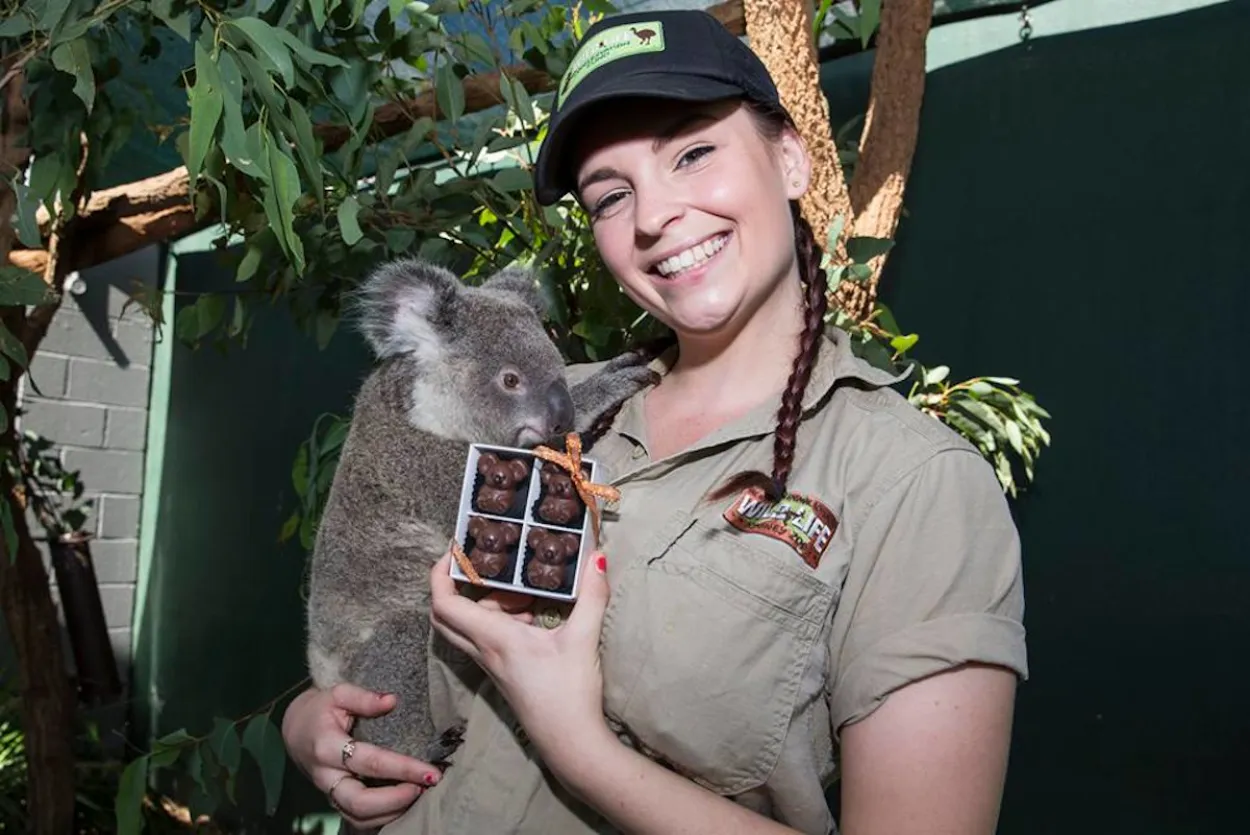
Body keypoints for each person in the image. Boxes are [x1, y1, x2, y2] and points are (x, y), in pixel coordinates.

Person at [281, 8, 1028, 834]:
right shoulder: (533, 402)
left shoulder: (910, 483)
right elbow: (373, 545)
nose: (653, 215)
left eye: (693, 152)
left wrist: (579, 745)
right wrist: (318, 722)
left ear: (789, 156)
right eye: (610, 195)